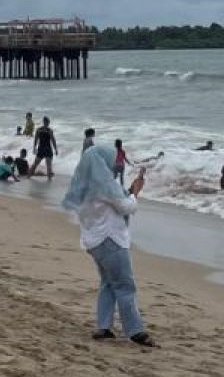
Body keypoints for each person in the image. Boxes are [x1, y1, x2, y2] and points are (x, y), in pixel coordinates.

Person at [62, 145, 155, 348]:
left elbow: (114, 202)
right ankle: (135, 330)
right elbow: (127, 207)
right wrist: (135, 193)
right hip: (110, 239)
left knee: (108, 283)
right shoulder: (104, 186)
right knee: (124, 285)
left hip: (93, 241)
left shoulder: (83, 186)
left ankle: (103, 326)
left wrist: (129, 191)